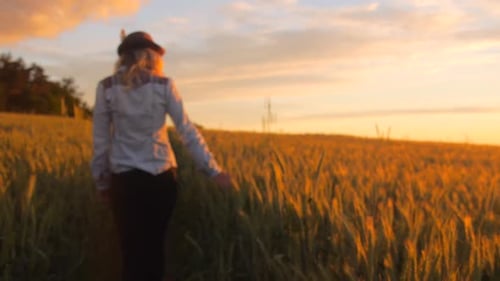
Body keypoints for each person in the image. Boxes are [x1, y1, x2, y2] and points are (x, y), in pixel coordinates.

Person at [91, 31, 232, 281]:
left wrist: (102, 183)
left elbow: (101, 143)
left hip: (124, 182)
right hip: (161, 179)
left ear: (123, 57)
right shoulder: (164, 85)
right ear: (151, 55)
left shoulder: (106, 88)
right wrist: (214, 171)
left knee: (130, 252)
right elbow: (187, 131)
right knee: (155, 249)